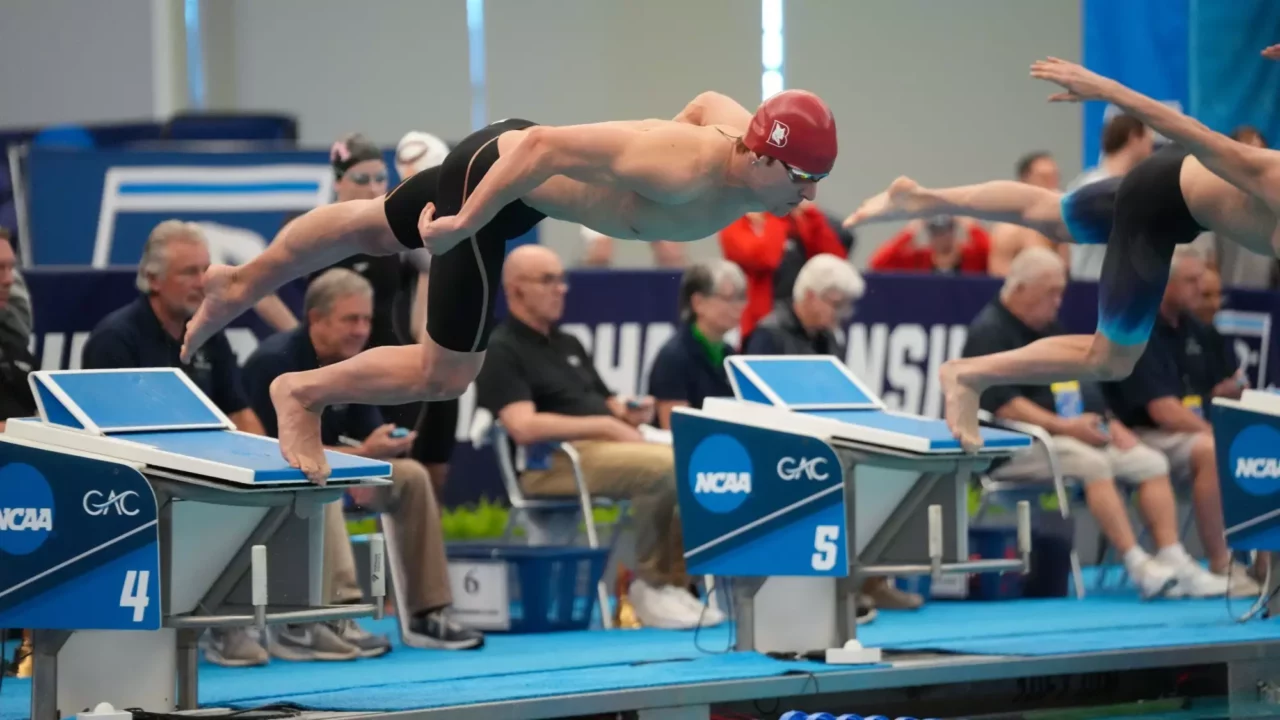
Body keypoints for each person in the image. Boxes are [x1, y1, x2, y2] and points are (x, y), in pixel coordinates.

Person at [179, 89, 838, 482]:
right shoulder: (680, 167)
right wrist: (468, 219)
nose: (808, 198)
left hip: (524, 192)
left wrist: (643, 143)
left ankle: (239, 281)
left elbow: (701, 101)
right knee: (445, 373)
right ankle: (301, 394)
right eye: (802, 179)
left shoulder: (739, 138)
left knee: (379, 227)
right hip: (503, 174)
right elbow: (540, 147)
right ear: (766, 157)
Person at [844, 55, 1280, 451]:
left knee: (1049, 213)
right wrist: (1108, 89)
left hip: (1169, 190)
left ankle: (922, 200)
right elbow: (1196, 135)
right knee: (1109, 359)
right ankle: (967, 374)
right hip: (1158, 208)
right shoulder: (1274, 177)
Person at [965, 248, 1226, 599]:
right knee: (1093, 463)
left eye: (1060, 292)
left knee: (1149, 461)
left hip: (1065, 436)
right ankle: (1138, 565)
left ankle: (1172, 556)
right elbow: (1007, 406)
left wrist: (1109, 423)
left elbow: (1084, 382)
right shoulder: (988, 331)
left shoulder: (1049, 326)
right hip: (1015, 446)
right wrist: (1066, 426)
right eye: (1050, 293)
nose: (1058, 302)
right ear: (1021, 289)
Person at [648, 259, 747, 429]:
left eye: (741, 298)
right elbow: (675, 430)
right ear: (698, 303)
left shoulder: (729, 354)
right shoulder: (673, 357)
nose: (738, 307)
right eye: (728, 298)